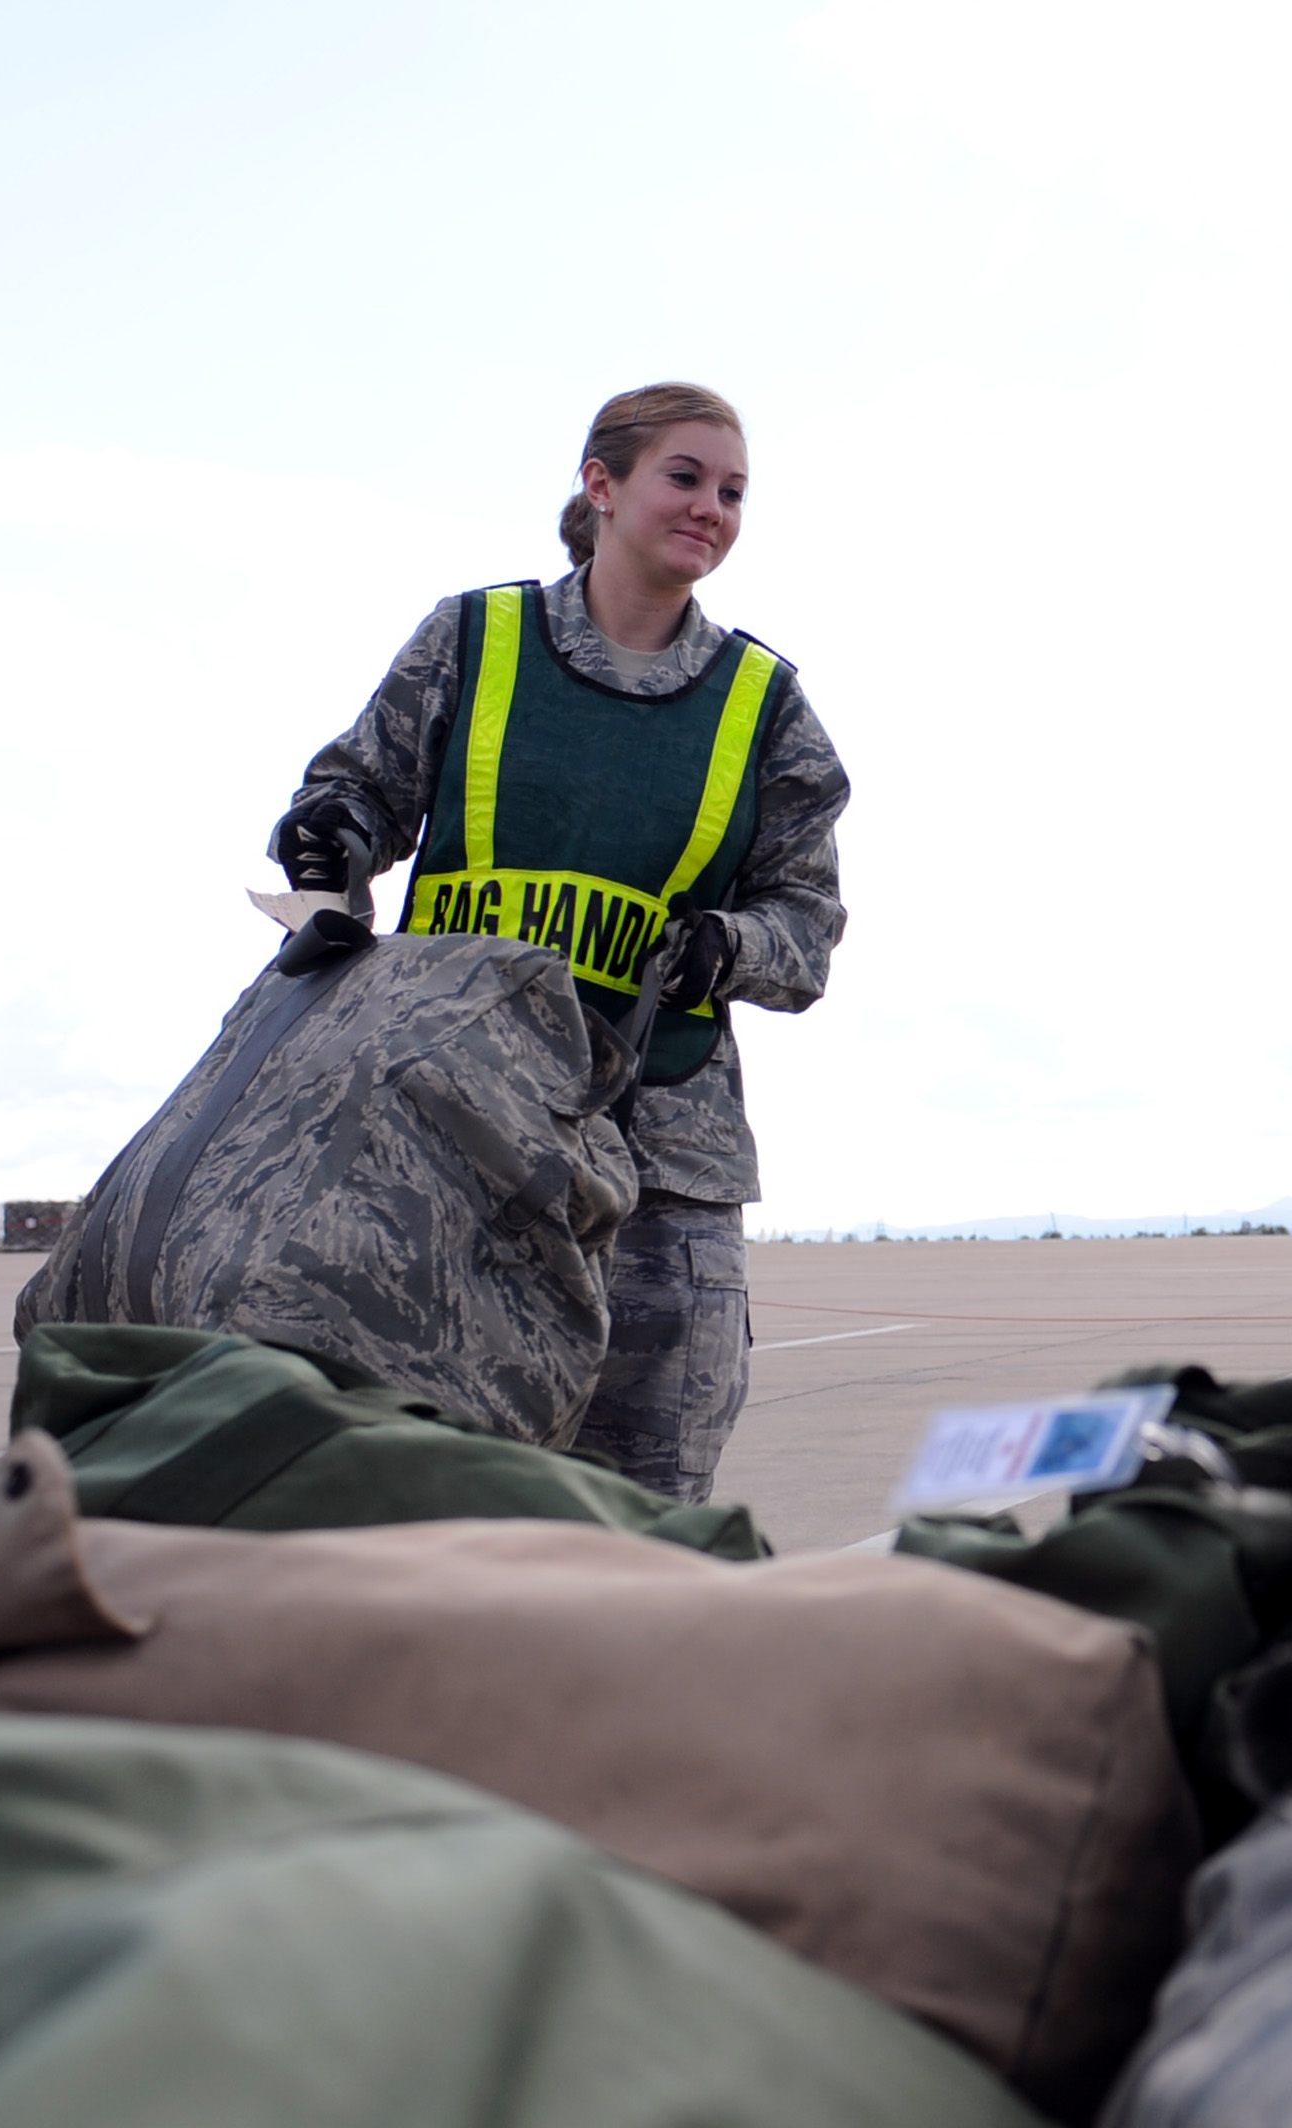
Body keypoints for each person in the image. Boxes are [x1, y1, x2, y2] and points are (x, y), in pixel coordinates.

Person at [268, 381, 848, 1501]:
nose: (711, 510)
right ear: (603, 484)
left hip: (658, 1164)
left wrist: (729, 947)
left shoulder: (764, 705)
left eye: (733, 493)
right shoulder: (472, 640)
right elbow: (353, 790)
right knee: (419, 1491)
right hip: (438, 1141)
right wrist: (327, 844)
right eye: (685, 477)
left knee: (646, 1504)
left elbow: (806, 924)